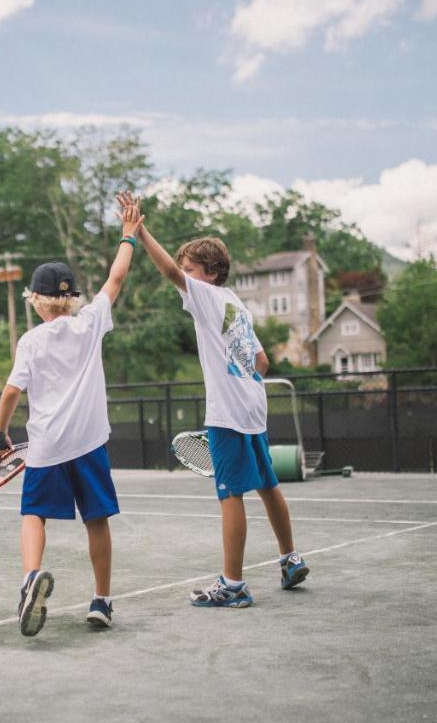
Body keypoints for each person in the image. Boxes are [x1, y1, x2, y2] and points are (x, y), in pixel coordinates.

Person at [123, 191, 309, 607]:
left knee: (230, 495)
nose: (184, 275)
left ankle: (233, 586)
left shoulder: (205, 296)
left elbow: (168, 270)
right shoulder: (236, 303)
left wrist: (138, 230)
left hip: (228, 414)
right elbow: (261, 360)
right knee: (268, 486)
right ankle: (290, 559)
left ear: (210, 273)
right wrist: (240, 381)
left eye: (192, 269)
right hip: (253, 408)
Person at [0, 197, 142, 637]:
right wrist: (128, 234)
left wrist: (1, 433)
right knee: (96, 520)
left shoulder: (31, 341)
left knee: (33, 514)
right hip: (89, 442)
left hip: (47, 445)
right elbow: (116, 277)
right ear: (71, 298)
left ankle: (30, 580)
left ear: (36, 301)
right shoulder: (92, 320)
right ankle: (101, 601)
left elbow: (11, 392)